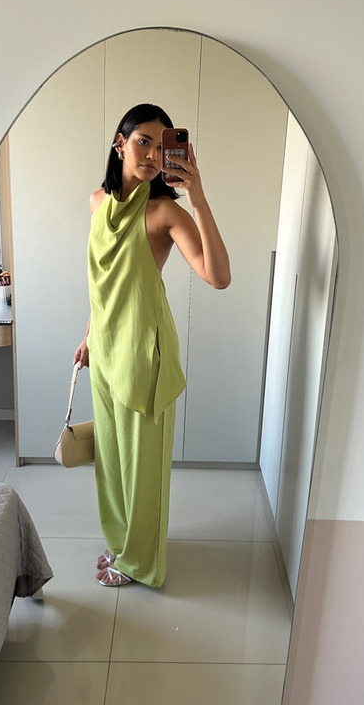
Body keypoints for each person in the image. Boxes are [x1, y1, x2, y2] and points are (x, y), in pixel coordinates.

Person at [73, 103, 230, 588]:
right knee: (112, 460)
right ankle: (124, 542)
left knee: (143, 467)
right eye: (143, 141)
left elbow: (218, 276)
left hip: (145, 354)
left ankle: (142, 562)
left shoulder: (165, 212)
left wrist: (198, 197)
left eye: (162, 148)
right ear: (120, 143)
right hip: (105, 350)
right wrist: (88, 336)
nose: (152, 155)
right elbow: (106, 283)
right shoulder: (97, 202)